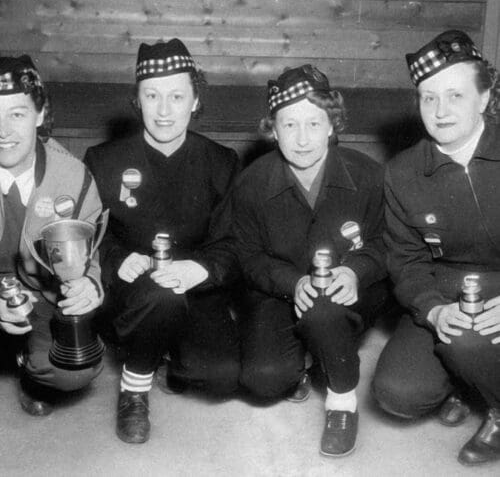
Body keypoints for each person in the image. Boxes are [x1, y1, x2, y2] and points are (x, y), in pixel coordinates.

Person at [84, 38, 240, 444]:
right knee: (159, 299)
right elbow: (88, 236)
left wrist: (201, 268)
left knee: (221, 376)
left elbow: (232, 243)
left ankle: (163, 349)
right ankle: (134, 387)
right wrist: (117, 258)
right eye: (152, 96)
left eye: (177, 96)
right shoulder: (103, 161)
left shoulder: (221, 162)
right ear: (137, 101)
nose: (165, 110)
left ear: (195, 101)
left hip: (194, 288)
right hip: (134, 292)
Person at [231, 65, 387, 457]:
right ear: (272, 129)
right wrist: (292, 283)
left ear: (333, 126)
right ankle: (308, 359)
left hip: (346, 295)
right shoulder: (251, 183)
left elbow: (390, 243)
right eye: (289, 125)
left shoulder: (369, 176)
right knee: (264, 380)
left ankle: (341, 402)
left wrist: (356, 270)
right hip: (281, 293)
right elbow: (247, 256)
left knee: (324, 314)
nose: (302, 139)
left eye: (314, 124)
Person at [372, 30, 500, 466]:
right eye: (428, 98)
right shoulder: (404, 171)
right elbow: (405, 260)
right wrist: (433, 310)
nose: (441, 111)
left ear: (484, 98)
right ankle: (472, 381)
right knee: (397, 394)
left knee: (467, 342)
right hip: (446, 289)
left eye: (455, 95)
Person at [0, 55, 104, 415]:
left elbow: (90, 253)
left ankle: (28, 368)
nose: (3, 130)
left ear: (40, 115)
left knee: (72, 369)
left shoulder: (72, 176)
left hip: (41, 294)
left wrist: (89, 283)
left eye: (17, 114)